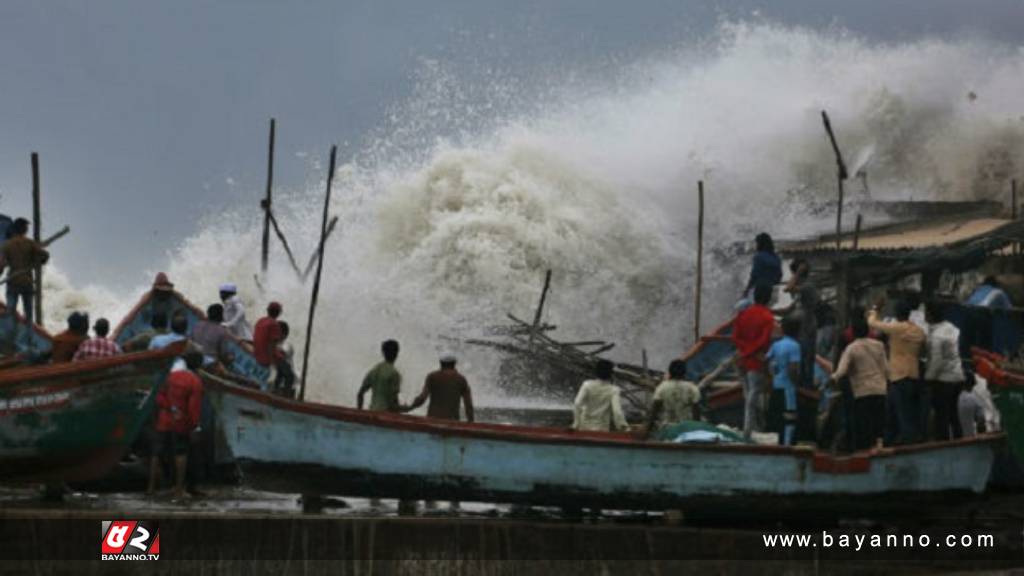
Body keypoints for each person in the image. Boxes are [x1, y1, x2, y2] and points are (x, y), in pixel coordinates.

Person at [148, 351, 204, 500]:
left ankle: (151, 488)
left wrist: (171, 408)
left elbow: (159, 397)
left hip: (164, 420)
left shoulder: (171, 376)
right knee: (181, 452)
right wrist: (195, 427)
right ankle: (179, 489)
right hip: (181, 422)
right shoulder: (195, 382)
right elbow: (194, 409)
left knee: (157, 453)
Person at [868, 300, 926, 445]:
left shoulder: (896, 328)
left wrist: (875, 309)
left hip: (898, 377)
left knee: (899, 415)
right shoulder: (919, 331)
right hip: (913, 375)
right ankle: (892, 442)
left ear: (897, 314)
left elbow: (873, 323)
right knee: (906, 413)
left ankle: (906, 446)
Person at [831, 316, 888, 451]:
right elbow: (886, 368)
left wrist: (833, 378)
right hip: (880, 390)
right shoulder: (879, 345)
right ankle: (878, 449)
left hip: (862, 393)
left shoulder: (851, 348)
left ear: (854, 332)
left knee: (863, 426)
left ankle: (864, 454)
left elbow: (842, 370)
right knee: (878, 425)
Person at [731, 283, 775, 439]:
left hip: (741, 358)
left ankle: (753, 427)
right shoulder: (768, 317)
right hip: (756, 360)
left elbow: (735, 337)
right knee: (754, 395)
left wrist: (745, 350)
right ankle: (748, 431)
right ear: (769, 298)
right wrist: (753, 352)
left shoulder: (743, 314)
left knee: (747, 393)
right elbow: (764, 341)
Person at [923, 302, 965, 441]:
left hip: (943, 380)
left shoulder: (936, 336)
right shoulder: (951, 328)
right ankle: (959, 441)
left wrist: (927, 378)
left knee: (942, 417)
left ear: (930, 314)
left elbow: (937, 361)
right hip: (957, 377)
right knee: (953, 414)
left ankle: (944, 444)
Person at [0, 217, 49, 328]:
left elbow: (1, 265)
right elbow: (45, 255)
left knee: (10, 310)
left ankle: (9, 333)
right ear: (24, 230)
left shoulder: (7, 245)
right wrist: (38, 262)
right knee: (29, 313)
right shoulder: (30, 243)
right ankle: (29, 335)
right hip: (27, 282)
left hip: (13, 281)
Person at [406, 353, 474, 421]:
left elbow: (422, 398)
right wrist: (471, 423)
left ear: (441, 363)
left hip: (432, 419)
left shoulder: (432, 377)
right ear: (454, 363)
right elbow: (468, 405)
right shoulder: (461, 380)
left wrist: (410, 407)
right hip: (452, 421)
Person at [766, 316, 802, 446]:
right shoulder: (795, 346)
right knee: (790, 416)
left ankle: (776, 443)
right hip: (788, 388)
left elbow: (767, 361)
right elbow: (793, 369)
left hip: (776, 385)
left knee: (776, 416)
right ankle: (786, 445)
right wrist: (797, 383)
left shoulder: (776, 345)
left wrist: (771, 378)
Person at [645, 359, 700, 437]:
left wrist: (646, 431)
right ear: (684, 372)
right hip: (687, 430)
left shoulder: (662, 387)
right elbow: (696, 415)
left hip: (667, 430)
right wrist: (698, 432)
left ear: (670, 372)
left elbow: (654, 412)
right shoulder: (692, 388)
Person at [572, 359, 628, 432]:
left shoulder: (587, 385)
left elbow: (577, 404)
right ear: (611, 374)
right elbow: (617, 412)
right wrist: (622, 426)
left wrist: (576, 422)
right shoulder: (614, 390)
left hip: (584, 426)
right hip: (601, 428)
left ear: (596, 372)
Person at [357, 340, 403, 412]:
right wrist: (410, 407)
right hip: (386, 415)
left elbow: (360, 394)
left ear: (383, 353)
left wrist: (359, 412)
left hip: (372, 412)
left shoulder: (374, 370)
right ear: (397, 353)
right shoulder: (394, 374)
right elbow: (393, 404)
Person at [743, 233, 782, 299]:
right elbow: (779, 274)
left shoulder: (759, 257)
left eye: (757, 243)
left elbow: (754, 275)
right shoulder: (776, 257)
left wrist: (747, 289)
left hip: (759, 289)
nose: (756, 245)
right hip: (772, 289)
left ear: (760, 243)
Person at [253, 302, 284, 381]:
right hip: (265, 359)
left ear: (268, 311)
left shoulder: (260, 321)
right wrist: (272, 362)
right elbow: (271, 345)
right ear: (278, 313)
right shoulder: (274, 325)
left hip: (256, 355)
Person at [274, 321, 296, 396]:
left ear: (284, 334)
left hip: (286, 385)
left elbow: (281, 354)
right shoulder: (274, 343)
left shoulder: (287, 345)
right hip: (277, 382)